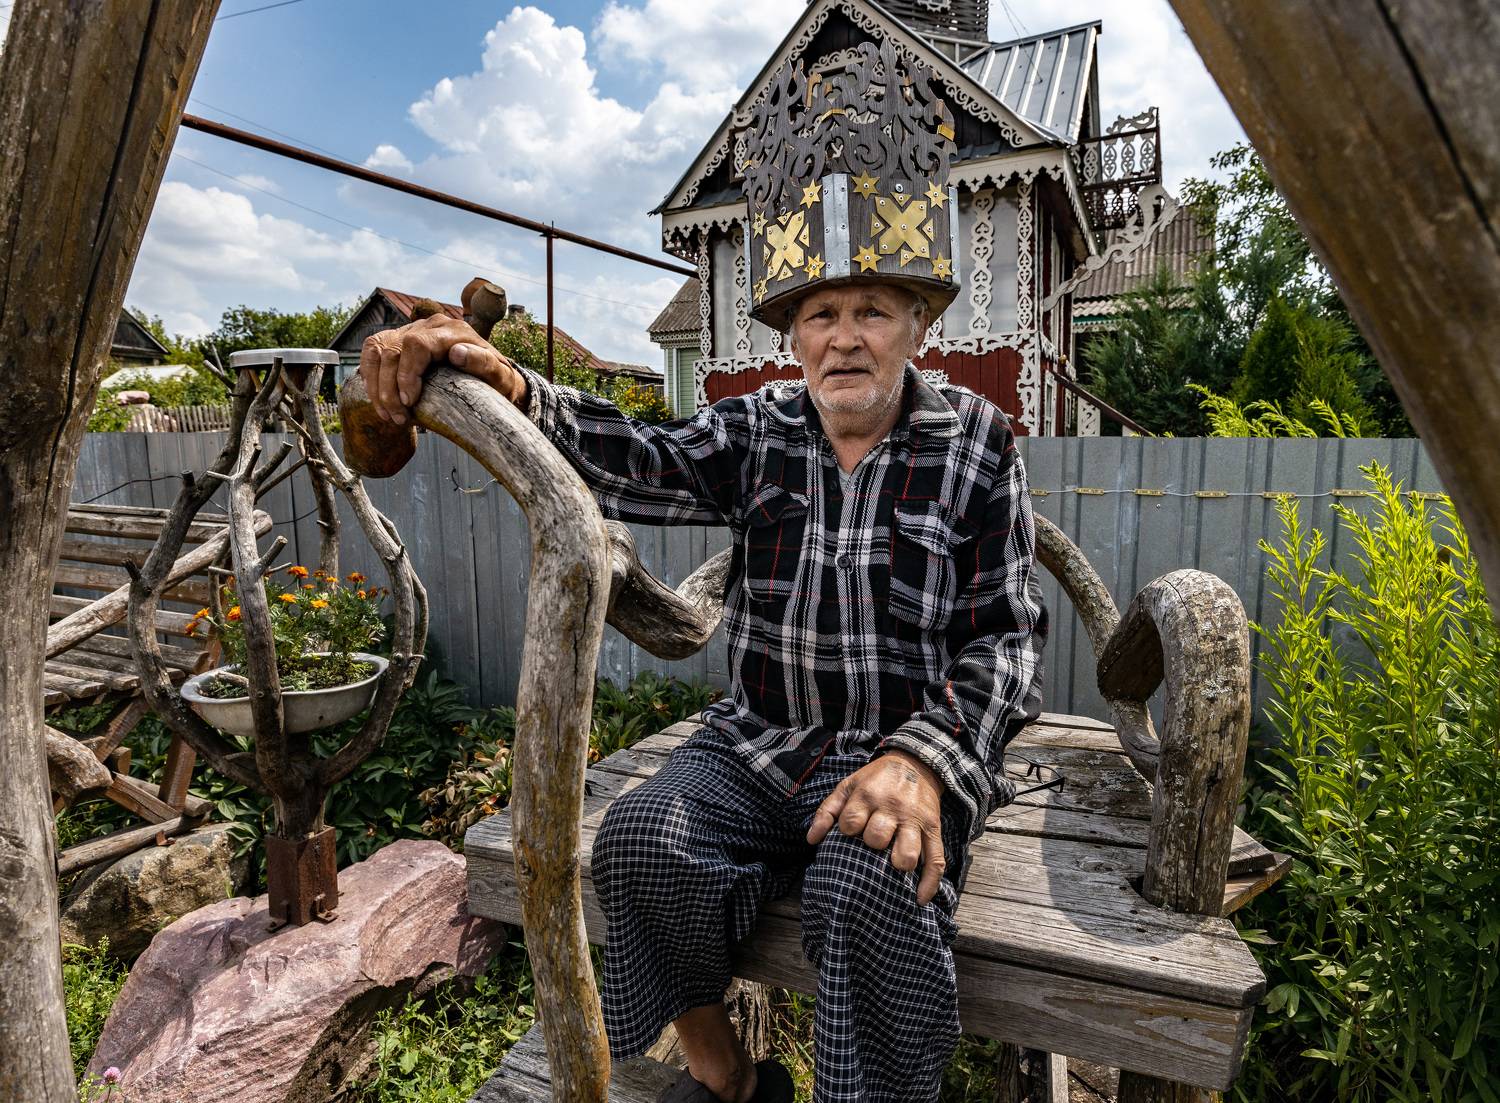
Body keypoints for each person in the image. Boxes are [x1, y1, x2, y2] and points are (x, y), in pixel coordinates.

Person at [359, 42, 1047, 1103]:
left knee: (869, 888)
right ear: (793, 336)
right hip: (763, 740)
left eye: (872, 309)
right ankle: (731, 1079)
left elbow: (1005, 637)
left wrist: (926, 760)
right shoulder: (760, 427)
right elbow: (639, 457)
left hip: (898, 751)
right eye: (820, 314)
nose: (845, 339)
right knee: (640, 841)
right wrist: (520, 389)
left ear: (919, 322)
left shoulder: (978, 442)